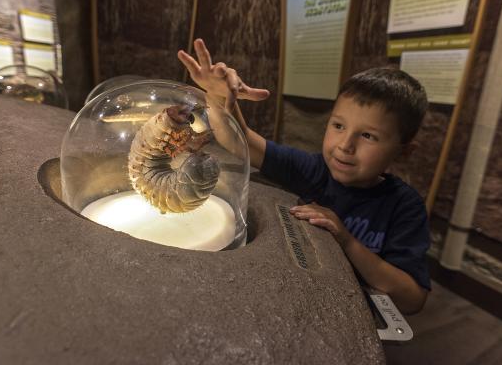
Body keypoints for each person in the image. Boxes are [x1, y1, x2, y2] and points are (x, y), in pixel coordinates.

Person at [178, 39, 430, 314]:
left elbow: (412, 299)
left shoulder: (405, 206)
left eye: (368, 135)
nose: (345, 145)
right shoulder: (315, 169)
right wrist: (217, 96)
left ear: (404, 151)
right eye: (338, 125)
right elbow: (243, 142)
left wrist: (346, 240)